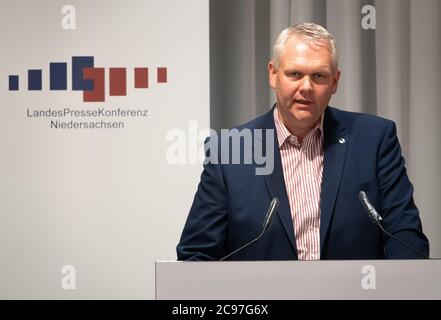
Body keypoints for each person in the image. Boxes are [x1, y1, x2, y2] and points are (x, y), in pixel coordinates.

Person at [177, 22, 429, 260]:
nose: (306, 87)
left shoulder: (374, 139)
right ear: (273, 74)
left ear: (335, 81)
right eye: (295, 74)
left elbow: (406, 240)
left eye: (319, 76)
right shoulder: (229, 151)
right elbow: (197, 254)